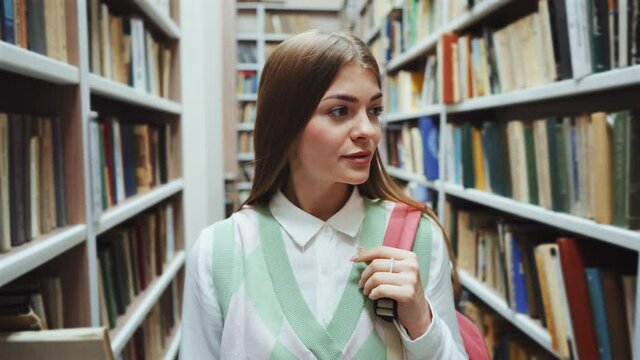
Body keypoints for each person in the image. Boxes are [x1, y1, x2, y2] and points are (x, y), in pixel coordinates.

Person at [180, 30, 467, 359]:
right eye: (340, 111)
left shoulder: (418, 238)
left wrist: (421, 321)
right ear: (285, 124)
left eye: (374, 111)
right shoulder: (219, 252)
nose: (368, 131)